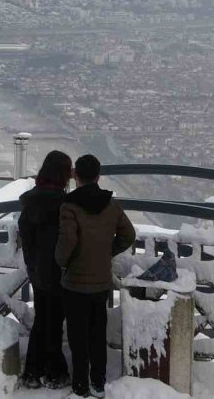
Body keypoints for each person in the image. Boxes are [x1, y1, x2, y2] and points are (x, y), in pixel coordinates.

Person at [56, 154, 136, 398]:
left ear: (75, 176)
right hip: (101, 282)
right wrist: (107, 251)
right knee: (97, 333)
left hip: (75, 283)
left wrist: (62, 261)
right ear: (98, 176)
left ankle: (80, 384)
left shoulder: (69, 206)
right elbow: (129, 235)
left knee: (77, 335)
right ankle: (98, 382)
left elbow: (67, 242)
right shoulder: (111, 205)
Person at [18, 150, 73, 389]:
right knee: (53, 320)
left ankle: (34, 370)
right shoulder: (65, 205)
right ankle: (53, 370)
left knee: (43, 318)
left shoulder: (29, 201)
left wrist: (32, 264)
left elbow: (26, 238)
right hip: (59, 270)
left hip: (37, 271)